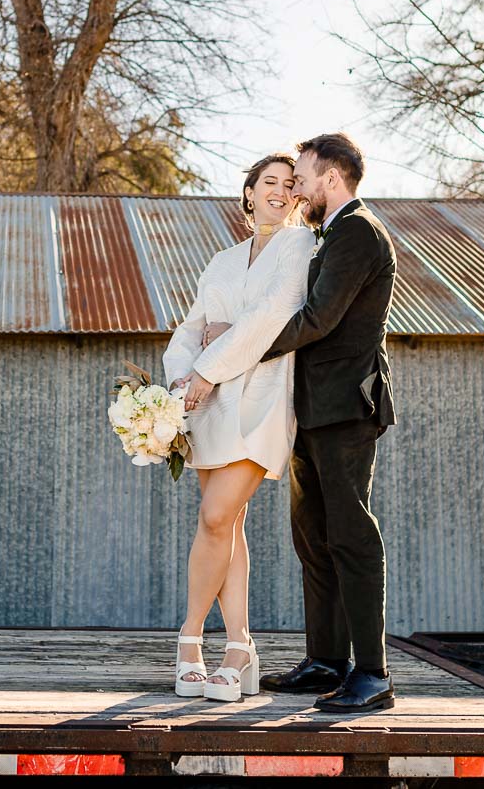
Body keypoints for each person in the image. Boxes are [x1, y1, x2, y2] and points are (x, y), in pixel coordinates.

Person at [200, 132, 398, 713]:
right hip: (309, 408)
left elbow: (316, 318)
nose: (298, 187)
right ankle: (326, 661)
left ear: (329, 178)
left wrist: (235, 347)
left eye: (304, 176)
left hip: (345, 407)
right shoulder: (327, 235)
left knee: (351, 533)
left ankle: (373, 674)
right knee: (313, 535)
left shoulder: (359, 232)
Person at [161, 153, 314, 701]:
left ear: (298, 197)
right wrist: (180, 384)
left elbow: (271, 317)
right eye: (268, 182)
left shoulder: (301, 247)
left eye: (289, 184)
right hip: (210, 405)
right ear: (248, 193)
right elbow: (193, 328)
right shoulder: (221, 261)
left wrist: (209, 363)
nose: (279, 190)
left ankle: (189, 639)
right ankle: (240, 647)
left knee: (216, 513)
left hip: (264, 401)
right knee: (226, 527)